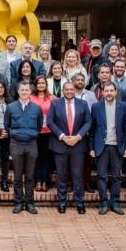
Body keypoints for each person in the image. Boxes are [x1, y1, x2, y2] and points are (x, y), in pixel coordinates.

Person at [47, 81, 91, 214]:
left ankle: (80, 202)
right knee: (61, 176)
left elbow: (88, 122)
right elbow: (50, 121)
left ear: (74, 90)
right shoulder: (55, 103)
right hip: (60, 144)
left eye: (71, 89)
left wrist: (78, 136)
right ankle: (61, 202)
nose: (69, 91)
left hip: (78, 145)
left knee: (77, 176)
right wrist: (62, 136)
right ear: (63, 90)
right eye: (66, 89)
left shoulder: (82, 104)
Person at [90, 83, 126, 215]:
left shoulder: (123, 106)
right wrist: (91, 147)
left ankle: (115, 203)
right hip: (101, 146)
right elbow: (92, 129)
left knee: (116, 177)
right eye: (106, 90)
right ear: (102, 92)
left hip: (117, 146)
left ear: (115, 92)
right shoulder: (96, 107)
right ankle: (103, 203)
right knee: (101, 176)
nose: (108, 93)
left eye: (111, 90)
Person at [5, 81, 42, 214]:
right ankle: (18, 202)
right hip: (16, 144)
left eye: (27, 90)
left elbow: (39, 125)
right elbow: (7, 125)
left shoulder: (36, 108)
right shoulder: (10, 107)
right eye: (22, 90)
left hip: (31, 144)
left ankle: (30, 203)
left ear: (30, 92)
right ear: (18, 91)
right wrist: (15, 134)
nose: (24, 92)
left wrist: (32, 134)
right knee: (17, 176)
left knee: (30, 176)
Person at [30, 75, 55, 193]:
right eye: (38, 83)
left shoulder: (52, 98)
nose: (41, 85)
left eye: (43, 83)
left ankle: (45, 181)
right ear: (35, 85)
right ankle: (37, 181)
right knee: (36, 157)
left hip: (48, 132)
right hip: (35, 132)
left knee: (46, 158)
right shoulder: (31, 98)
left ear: (46, 85)